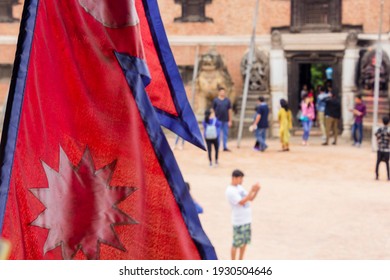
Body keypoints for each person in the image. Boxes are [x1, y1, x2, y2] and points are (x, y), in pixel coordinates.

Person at [225, 169, 260, 260]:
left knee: (244, 242)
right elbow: (242, 202)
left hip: (246, 219)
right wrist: (251, 190)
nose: (242, 181)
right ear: (234, 178)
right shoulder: (230, 190)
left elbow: (250, 199)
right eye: (240, 179)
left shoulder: (239, 187)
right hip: (239, 221)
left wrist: (256, 191)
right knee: (236, 243)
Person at [212, 87, 232, 152]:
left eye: (223, 92)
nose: (222, 93)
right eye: (221, 92)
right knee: (217, 134)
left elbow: (229, 111)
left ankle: (225, 146)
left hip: (226, 120)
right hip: (218, 120)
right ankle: (217, 146)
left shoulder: (227, 101)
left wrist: (230, 120)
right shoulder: (215, 100)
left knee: (225, 134)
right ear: (219, 92)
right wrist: (213, 119)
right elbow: (213, 110)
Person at [375, 116, 390, 181]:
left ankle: (377, 176)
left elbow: (376, 134)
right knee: (387, 163)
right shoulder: (389, 130)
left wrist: (379, 141)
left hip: (380, 148)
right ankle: (388, 177)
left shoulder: (379, 129)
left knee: (378, 162)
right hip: (387, 149)